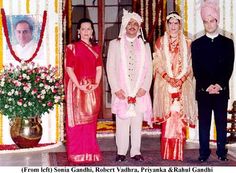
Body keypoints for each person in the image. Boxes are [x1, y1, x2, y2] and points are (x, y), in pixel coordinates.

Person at [106, 9, 152, 162]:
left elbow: (149, 69)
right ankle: (121, 151)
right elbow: (110, 68)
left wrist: (144, 88)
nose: (132, 26)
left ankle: (136, 151)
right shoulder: (114, 44)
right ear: (124, 26)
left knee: (137, 122)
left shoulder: (145, 45)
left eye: (135, 24)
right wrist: (116, 89)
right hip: (122, 91)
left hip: (139, 91)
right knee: (122, 122)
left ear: (139, 27)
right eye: (129, 23)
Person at [191, 0, 234, 162]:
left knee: (221, 123)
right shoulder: (196, 44)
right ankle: (203, 153)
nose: (209, 24)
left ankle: (222, 152)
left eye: (212, 20)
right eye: (206, 21)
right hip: (203, 91)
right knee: (204, 124)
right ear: (203, 22)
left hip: (221, 90)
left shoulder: (228, 43)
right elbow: (197, 68)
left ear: (217, 20)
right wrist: (207, 85)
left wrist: (219, 85)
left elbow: (229, 67)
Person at [152, 11, 198, 161]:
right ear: (167, 24)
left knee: (179, 119)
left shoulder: (188, 42)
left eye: (175, 23)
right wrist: (168, 78)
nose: (173, 26)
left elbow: (191, 65)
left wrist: (182, 79)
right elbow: (156, 63)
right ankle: (167, 152)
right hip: (166, 85)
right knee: (169, 118)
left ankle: (178, 153)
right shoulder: (160, 42)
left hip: (182, 85)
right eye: (170, 23)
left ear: (180, 25)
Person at [64, 18, 102, 164]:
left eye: (89, 29)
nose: (86, 31)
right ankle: (76, 154)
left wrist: (96, 84)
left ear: (92, 32)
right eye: (83, 29)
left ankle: (91, 153)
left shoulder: (97, 48)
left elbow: (99, 68)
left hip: (92, 88)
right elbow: (69, 68)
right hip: (77, 89)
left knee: (90, 123)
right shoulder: (72, 47)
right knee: (77, 123)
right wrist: (79, 86)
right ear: (78, 31)